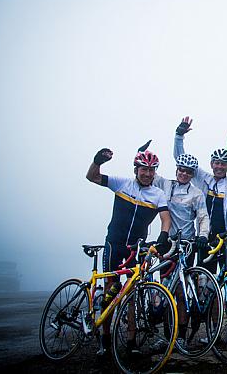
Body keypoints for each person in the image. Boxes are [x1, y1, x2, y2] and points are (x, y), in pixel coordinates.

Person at [174, 117, 227, 347]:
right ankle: (209, 328)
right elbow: (181, 160)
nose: (219, 167)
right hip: (206, 241)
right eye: (216, 163)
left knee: (226, 286)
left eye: (223, 164)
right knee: (206, 287)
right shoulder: (204, 179)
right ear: (211, 163)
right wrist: (179, 135)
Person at [86, 147, 171, 356]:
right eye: (144, 169)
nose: (147, 174)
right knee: (111, 289)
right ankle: (105, 339)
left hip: (137, 247)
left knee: (132, 293)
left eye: (152, 170)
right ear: (136, 169)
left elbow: (165, 218)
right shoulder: (122, 183)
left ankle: (131, 341)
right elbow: (92, 177)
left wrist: (163, 236)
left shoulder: (158, 194)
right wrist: (97, 161)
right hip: (115, 243)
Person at [150, 143, 210, 348]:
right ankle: (167, 337)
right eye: (181, 170)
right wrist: (140, 152)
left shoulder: (197, 194)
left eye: (188, 171)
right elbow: (148, 172)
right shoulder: (165, 184)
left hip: (187, 245)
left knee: (181, 293)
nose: (184, 173)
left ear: (193, 174)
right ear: (177, 170)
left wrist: (203, 236)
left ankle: (181, 338)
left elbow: (203, 217)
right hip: (167, 244)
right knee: (166, 289)